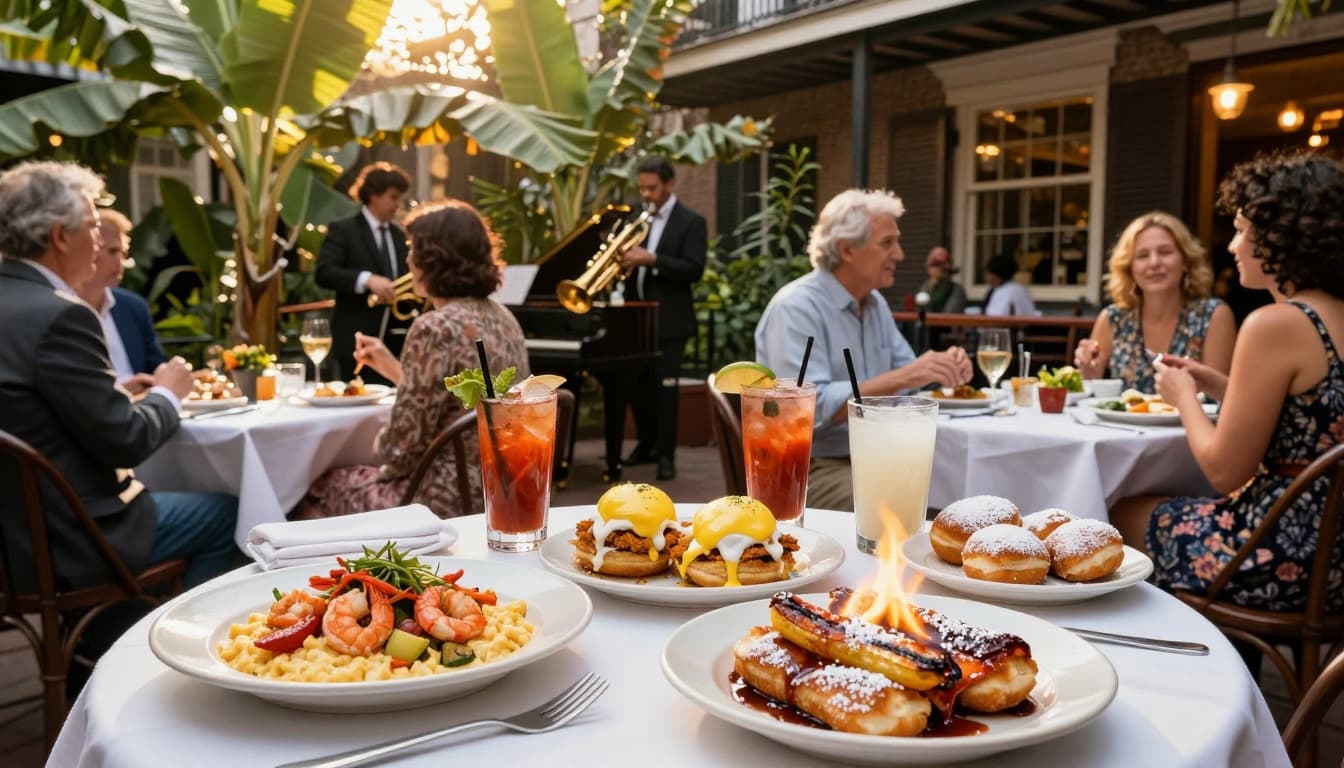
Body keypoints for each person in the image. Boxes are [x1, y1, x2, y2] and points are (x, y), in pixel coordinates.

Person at [1111, 151, 1344, 613]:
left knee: (1114, 510)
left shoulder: (1275, 324)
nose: (1232, 245)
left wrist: (1183, 398)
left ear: (1282, 235)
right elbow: (1310, 414)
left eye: (1241, 229)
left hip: (1278, 556)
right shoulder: (1330, 316)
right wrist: (1215, 384)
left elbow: (1224, 471)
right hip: (1333, 554)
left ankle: (1177, 658)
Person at [0, 161, 238, 592]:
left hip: (12, 539)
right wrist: (167, 393)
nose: (98, 241)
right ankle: (161, 640)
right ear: (59, 236)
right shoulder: (61, 315)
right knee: (230, 514)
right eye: (93, 226)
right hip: (76, 537)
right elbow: (126, 440)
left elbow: (33, 410)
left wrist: (114, 395)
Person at [299, 199, 530, 518]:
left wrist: (362, 449)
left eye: (412, 248)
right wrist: (396, 371)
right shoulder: (504, 317)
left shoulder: (433, 327)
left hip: (442, 497)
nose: (407, 258)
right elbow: (462, 399)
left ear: (433, 259)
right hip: (503, 488)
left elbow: (399, 451)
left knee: (313, 487)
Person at [755, 189, 973, 511]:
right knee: (910, 500)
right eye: (887, 243)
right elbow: (805, 411)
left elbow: (909, 378)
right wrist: (906, 375)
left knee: (965, 491)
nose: (899, 254)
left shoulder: (874, 304)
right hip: (809, 468)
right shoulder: (796, 308)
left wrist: (941, 367)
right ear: (846, 249)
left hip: (874, 455)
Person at [615, 156, 708, 481]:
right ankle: (646, 445)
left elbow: (693, 269)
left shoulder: (691, 221)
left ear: (669, 184)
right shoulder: (636, 216)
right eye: (642, 187)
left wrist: (652, 259)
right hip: (635, 318)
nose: (647, 194)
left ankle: (666, 456)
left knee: (665, 390)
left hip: (670, 321)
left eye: (652, 187)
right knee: (638, 387)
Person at [1073, 212, 1235, 392]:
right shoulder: (1113, 318)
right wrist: (1089, 376)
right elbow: (1089, 394)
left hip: (1190, 421)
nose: (1154, 263)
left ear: (1185, 262)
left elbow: (1222, 399)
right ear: (1130, 267)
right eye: (1142, 255)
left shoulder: (1213, 315)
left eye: (1165, 252)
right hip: (1122, 421)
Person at [315, 162, 414, 384]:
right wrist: (366, 279)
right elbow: (324, 273)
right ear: (373, 196)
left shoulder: (399, 235)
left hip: (396, 343)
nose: (398, 205)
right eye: (393, 197)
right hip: (357, 341)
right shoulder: (344, 230)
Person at [74, 208, 165, 396]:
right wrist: (118, 393)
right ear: (89, 249)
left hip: (146, 409)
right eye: (113, 251)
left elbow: (157, 369)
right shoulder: (59, 309)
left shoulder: (133, 307)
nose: (120, 261)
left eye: (123, 253)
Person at [919, 246, 966, 313]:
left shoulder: (956, 290)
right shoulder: (926, 287)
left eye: (935, 264)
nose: (932, 269)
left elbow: (949, 316)